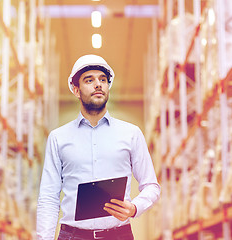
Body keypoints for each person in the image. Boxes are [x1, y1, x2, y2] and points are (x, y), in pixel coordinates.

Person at [37, 54, 161, 240]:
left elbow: (151, 186)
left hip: (119, 235)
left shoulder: (131, 133)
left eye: (103, 80)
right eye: (89, 80)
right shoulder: (58, 138)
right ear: (76, 90)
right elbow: (48, 197)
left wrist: (134, 208)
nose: (98, 84)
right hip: (72, 236)